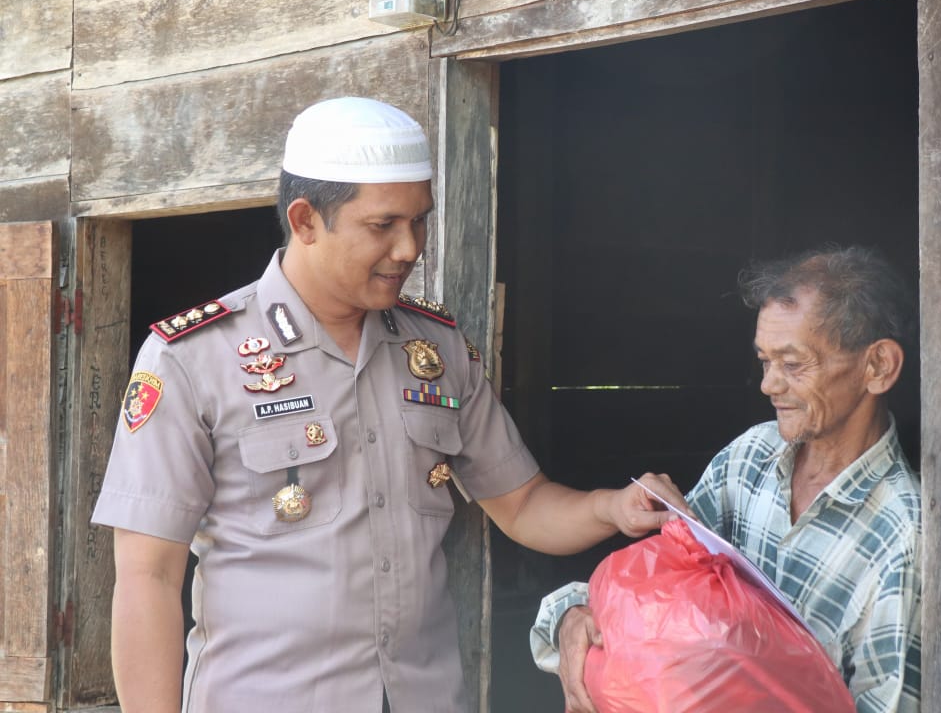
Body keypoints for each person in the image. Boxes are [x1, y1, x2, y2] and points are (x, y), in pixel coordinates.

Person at [91, 97, 680, 713]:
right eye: (384, 225)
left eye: (420, 221)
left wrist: (616, 507)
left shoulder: (438, 348)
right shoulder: (193, 359)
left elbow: (524, 504)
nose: (409, 248)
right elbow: (147, 577)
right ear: (305, 220)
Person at [531, 247, 923, 713]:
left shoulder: (904, 533)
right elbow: (657, 593)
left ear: (877, 366)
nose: (769, 385)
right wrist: (573, 616)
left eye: (794, 364)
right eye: (765, 361)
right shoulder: (749, 458)